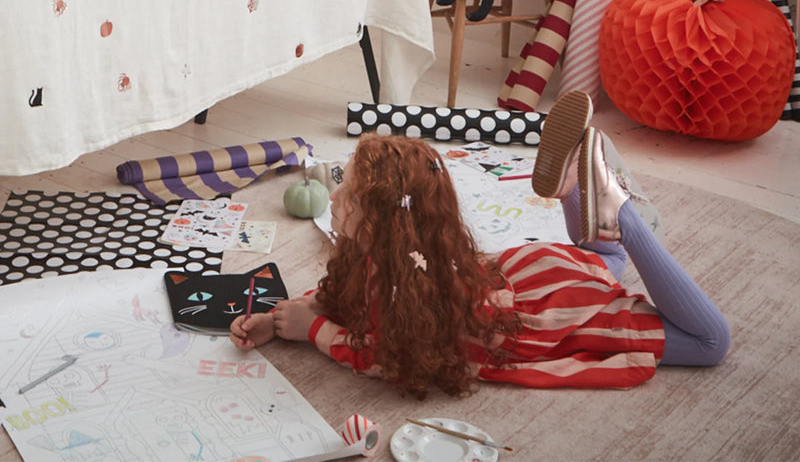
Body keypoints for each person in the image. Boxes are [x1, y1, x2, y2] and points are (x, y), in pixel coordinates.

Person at [230, 90, 730, 397]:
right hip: (538, 270)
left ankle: (620, 211)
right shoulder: (394, 257)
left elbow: (383, 359)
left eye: (350, 195)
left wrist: (313, 330)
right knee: (603, 261)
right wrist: (280, 318)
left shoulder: (400, 293)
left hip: (552, 314)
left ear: (383, 225)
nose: (333, 196)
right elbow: (342, 298)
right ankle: (572, 192)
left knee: (712, 342)